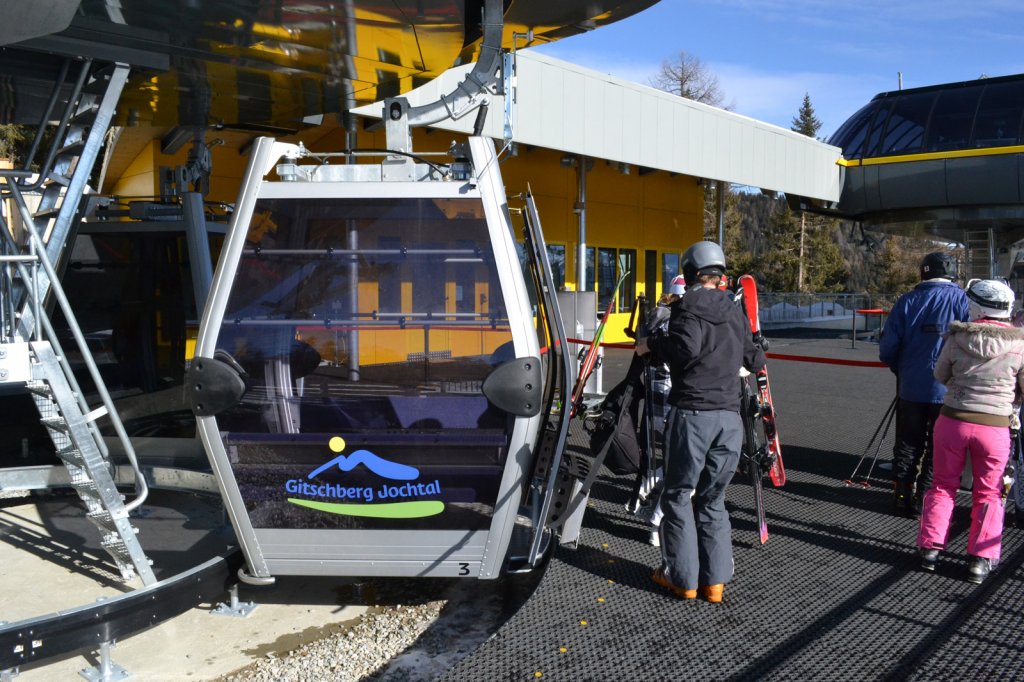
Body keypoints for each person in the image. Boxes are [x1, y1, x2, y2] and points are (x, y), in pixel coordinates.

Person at [636, 241, 764, 603]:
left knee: (677, 496)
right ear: (720, 273)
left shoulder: (687, 306)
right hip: (729, 418)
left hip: (693, 415)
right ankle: (715, 583)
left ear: (691, 271)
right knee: (713, 499)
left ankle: (682, 579)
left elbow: (685, 348)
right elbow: (755, 360)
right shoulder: (734, 310)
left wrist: (651, 347)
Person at [917, 279, 1024, 583]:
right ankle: (979, 559)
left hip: (953, 420)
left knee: (942, 485)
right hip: (995, 427)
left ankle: (930, 549)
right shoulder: (1020, 343)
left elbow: (940, 375)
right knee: (989, 492)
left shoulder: (956, 338)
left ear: (976, 307)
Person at [879, 252, 970, 516]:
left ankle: (900, 495)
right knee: (938, 447)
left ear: (924, 271)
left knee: (908, 443)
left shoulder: (907, 301)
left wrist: (900, 367)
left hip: (910, 386)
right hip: (948, 390)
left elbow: (888, 346)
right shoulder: (962, 300)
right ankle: (925, 500)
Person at [636, 275, 687, 547]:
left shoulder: (654, 318)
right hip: (674, 397)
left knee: (669, 461)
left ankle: (649, 484)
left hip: (656, 396)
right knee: (682, 466)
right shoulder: (676, 323)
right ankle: (657, 520)